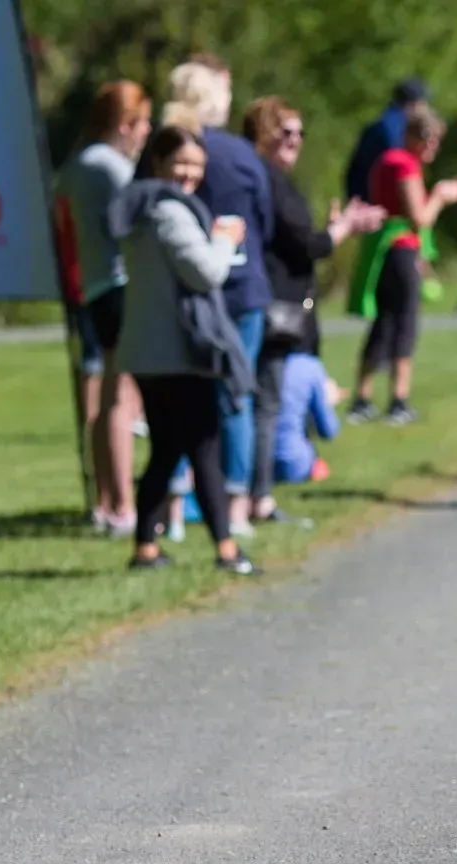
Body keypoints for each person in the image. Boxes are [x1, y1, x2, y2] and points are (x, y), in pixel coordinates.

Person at [109, 125, 258, 576]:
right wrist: (226, 238)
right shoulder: (169, 212)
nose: (190, 174)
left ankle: (145, 549)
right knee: (204, 448)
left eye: (197, 166)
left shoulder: (140, 208)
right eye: (181, 164)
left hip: (150, 352)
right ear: (157, 163)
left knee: (167, 450)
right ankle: (227, 549)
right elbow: (206, 272)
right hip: (179, 354)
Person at [243, 96, 385, 523]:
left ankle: (257, 488)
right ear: (262, 132)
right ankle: (257, 497)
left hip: (280, 303)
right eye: (285, 131)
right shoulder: (265, 178)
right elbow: (307, 244)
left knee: (267, 401)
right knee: (266, 402)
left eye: (300, 133)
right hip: (274, 306)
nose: (295, 140)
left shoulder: (271, 179)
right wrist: (342, 228)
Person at [167, 55, 274, 537]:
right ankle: (234, 506)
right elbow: (264, 222)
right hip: (241, 285)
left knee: (182, 398)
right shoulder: (237, 153)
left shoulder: (166, 148)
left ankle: (178, 505)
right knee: (237, 398)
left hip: (186, 287)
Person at [55, 80, 153, 537]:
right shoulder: (111, 167)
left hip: (94, 286)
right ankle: (124, 506)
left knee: (110, 393)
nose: (146, 133)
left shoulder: (76, 165)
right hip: (120, 282)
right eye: (143, 124)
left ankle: (106, 500)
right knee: (120, 397)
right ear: (125, 124)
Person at [346, 107, 457, 425]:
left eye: (435, 140)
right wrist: (442, 196)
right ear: (411, 136)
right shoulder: (404, 164)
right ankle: (398, 400)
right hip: (401, 250)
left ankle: (362, 398)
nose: (432, 146)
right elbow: (420, 218)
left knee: (384, 322)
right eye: (427, 139)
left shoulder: (387, 161)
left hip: (387, 250)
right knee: (404, 322)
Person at [343, 78, 431, 203]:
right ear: (414, 103)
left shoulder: (383, 122)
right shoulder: (398, 128)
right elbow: (398, 170)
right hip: (375, 205)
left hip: (360, 198)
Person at [273, 352, 344, 484]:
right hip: (296, 463)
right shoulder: (309, 366)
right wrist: (328, 400)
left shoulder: (255, 359)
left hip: (255, 464)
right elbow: (329, 430)